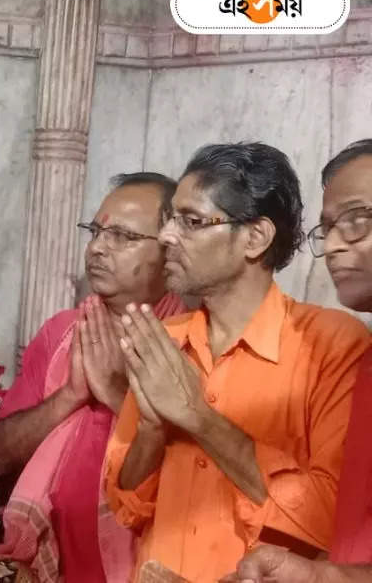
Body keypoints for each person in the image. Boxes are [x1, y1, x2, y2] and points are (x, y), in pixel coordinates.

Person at [104, 142, 370, 582]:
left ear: (255, 238)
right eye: (171, 219)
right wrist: (152, 430)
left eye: (191, 221)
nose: (168, 236)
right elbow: (125, 506)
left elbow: (330, 515)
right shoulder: (163, 341)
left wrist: (200, 419)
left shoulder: (332, 345)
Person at [0, 172, 186, 582]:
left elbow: (199, 485)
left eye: (123, 236)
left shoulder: (192, 344)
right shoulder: (61, 332)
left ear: (170, 248)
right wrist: (68, 397)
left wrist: (118, 396)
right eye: (96, 231)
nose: (97, 248)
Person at [222, 139, 372, 582]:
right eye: (327, 229)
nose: (336, 246)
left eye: (358, 221)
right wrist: (316, 574)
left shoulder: (335, 344)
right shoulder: (365, 359)